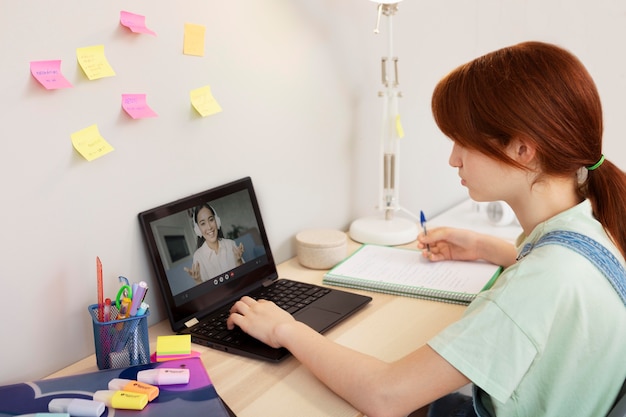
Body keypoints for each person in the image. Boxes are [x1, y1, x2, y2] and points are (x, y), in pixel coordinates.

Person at [226, 41, 626, 417]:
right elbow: (558, 288)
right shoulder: (597, 217)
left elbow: (386, 394)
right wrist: (485, 247)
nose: (454, 159)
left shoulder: (538, 286)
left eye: (462, 142)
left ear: (522, 149)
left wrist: (285, 329)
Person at [184, 203, 244, 284]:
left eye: (211, 219)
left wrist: (238, 261)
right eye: (203, 223)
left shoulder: (231, 244)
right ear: (198, 230)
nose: (209, 227)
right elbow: (205, 293)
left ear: (217, 221)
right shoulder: (198, 256)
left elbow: (244, 278)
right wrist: (198, 281)